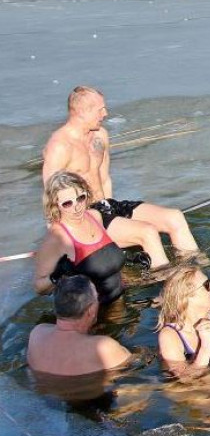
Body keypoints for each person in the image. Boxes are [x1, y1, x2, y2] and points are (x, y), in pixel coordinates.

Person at [42, 86, 196, 262]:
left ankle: (195, 270)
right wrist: (59, 240)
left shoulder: (100, 135)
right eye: (100, 109)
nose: (105, 114)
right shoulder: (60, 146)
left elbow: (104, 179)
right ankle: (165, 278)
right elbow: (50, 195)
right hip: (84, 215)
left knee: (175, 217)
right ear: (83, 112)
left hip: (106, 206)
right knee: (147, 232)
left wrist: (112, 214)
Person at [33, 171, 166, 304]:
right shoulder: (56, 239)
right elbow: (39, 288)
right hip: (93, 310)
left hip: (123, 297)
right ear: (55, 205)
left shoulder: (95, 216)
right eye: (67, 203)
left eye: (81, 198)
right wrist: (58, 275)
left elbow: (102, 261)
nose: (76, 207)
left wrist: (132, 264)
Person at [27, 275, 131, 376]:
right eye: (97, 299)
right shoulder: (104, 348)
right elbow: (133, 365)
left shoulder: (37, 334)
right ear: (90, 310)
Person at [157, 266, 210, 375]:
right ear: (187, 296)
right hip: (197, 385)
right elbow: (185, 379)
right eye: (206, 285)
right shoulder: (170, 336)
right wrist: (206, 347)